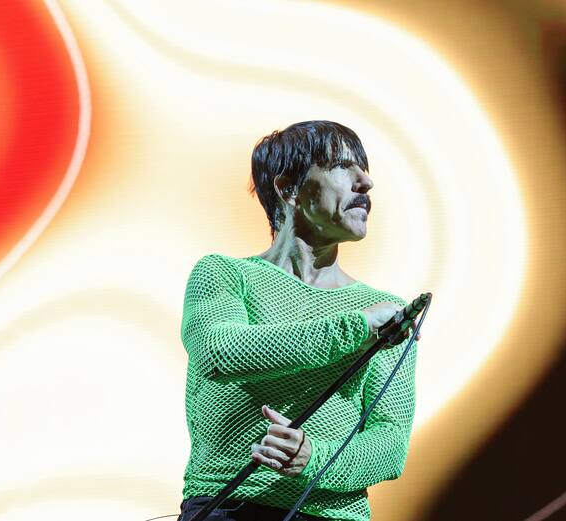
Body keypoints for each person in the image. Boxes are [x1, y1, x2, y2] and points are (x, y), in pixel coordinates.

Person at [177, 121, 420, 521]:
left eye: (365, 168)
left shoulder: (383, 309)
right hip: (232, 507)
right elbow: (218, 353)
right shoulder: (223, 275)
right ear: (288, 188)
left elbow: (390, 444)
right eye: (343, 167)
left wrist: (313, 456)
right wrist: (355, 330)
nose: (366, 182)